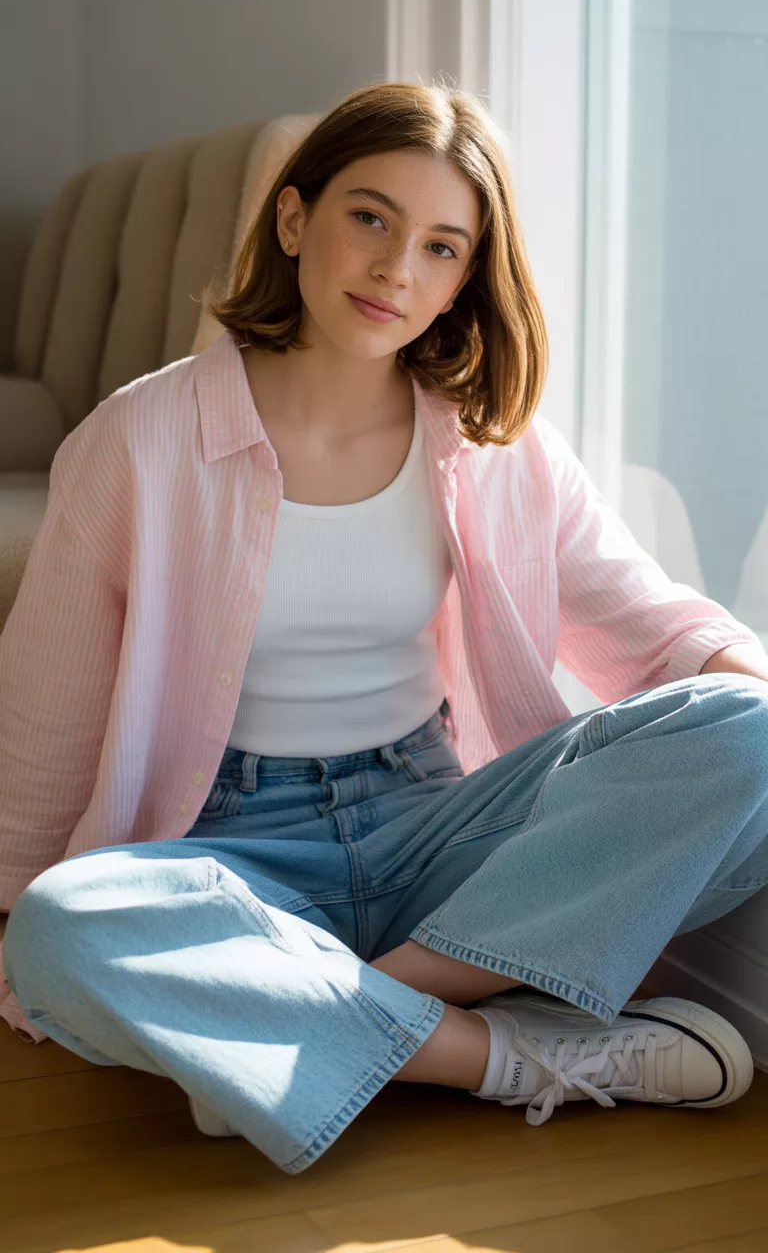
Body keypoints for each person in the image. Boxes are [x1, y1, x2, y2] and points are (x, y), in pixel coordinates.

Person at [2, 80, 768, 1178]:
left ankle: (319, 1023)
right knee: (62, 928)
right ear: (293, 218)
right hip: (231, 848)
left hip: (433, 831)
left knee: (748, 728)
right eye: (370, 217)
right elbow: (45, 709)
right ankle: (510, 1056)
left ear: (467, 277)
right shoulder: (139, 439)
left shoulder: (494, 443)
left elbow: (650, 623)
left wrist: (754, 716)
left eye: (442, 246)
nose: (395, 269)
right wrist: (19, 917)